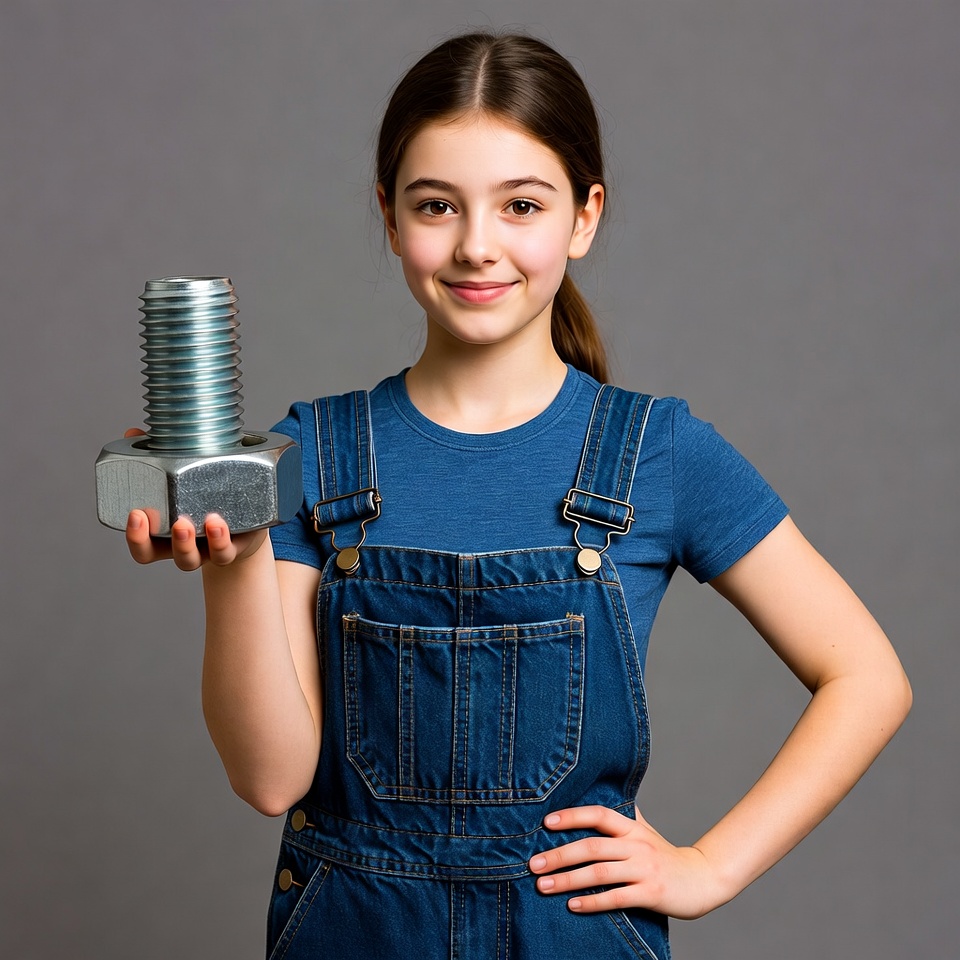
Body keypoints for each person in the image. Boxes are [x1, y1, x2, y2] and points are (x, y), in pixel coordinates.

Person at [124, 31, 911, 960]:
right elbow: (270, 777)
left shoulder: (657, 452)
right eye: (436, 205)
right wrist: (235, 557)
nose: (475, 245)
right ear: (389, 217)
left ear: (584, 217)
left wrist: (709, 867)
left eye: (521, 205)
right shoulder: (309, 455)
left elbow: (868, 679)